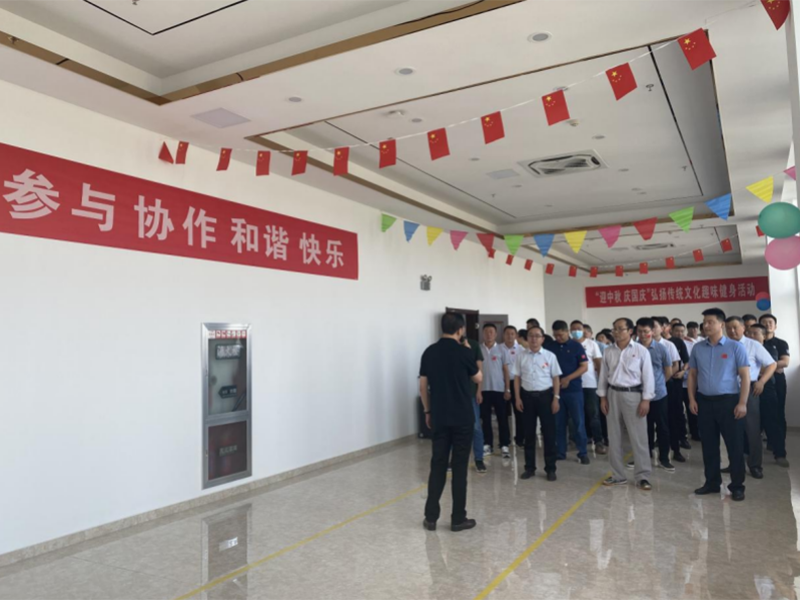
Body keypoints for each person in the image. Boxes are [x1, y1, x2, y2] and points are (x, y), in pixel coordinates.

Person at [420, 313, 482, 531]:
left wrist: (427, 411)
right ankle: (457, 518)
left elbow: (423, 386)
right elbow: (478, 378)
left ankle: (431, 517)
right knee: (459, 467)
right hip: (462, 417)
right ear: (460, 329)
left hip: (439, 415)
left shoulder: (429, 352)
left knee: (438, 464)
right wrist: (468, 351)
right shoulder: (464, 352)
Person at [688, 308, 750, 501]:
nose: (706, 325)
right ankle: (712, 482)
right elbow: (692, 375)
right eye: (704, 322)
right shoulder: (698, 348)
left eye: (710, 322)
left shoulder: (735, 347)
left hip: (729, 402)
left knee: (734, 445)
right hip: (704, 402)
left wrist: (742, 403)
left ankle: (737, 486)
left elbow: (745, 376)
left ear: (721, 324)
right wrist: (692, 399)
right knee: (709, 445)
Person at [598, 317, 655, 490]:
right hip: (612, 394)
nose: (616, 332)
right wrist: (603, 397)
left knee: (638, 438)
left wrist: (646, 399)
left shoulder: (641, 351)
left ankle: (642, 476)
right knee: (614, 436)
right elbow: (603, 376)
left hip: (634, 396)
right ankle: (617, 475)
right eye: (614, 328)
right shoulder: (608, 351)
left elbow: (648, 376)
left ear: (630, 331)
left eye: (620, 328)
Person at [724, 316, 775, 479]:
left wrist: (762, 381)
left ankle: (755, 465)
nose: (732, 331)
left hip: (749, 389)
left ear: (743, 328)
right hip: (728, 390)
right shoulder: (723, 345)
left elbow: (772, 364)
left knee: (752, 429)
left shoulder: (753, 345)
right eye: (728, 328)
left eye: (735, 327)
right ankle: (735, 463)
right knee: (731, 430)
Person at [515, 326, 562, 481]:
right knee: (528, 434)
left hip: (546, 397)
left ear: (542, 338)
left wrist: (556, 398)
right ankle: (529, 468)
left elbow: (556, 378)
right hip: (526, 397)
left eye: (537, 336)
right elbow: (517, 378)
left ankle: (550, 468)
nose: (534, 339)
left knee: (549, 434)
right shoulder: (521, 356)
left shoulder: (550, 356)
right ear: (527, 338)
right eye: (531, 335)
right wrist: (517, 398)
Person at [547, 320, 590, 464]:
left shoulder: (576, 346)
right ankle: (561, 452)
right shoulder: (550, 347)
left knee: (578, 422)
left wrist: (568, 378)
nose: (558, 338)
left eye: (561, 335)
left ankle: (582, 452)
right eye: (556, 335)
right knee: (559, 424)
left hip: (574, 391)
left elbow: (584, 366)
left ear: (567, 332)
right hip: (556, 391)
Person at [635, 318, 674, 472]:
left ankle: (664, 458)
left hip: (658, 394)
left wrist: (657, 385)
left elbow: (668, 371)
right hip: (638, 394)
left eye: (645, 331)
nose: (642, 334)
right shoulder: (633, 348)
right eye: (639, 331)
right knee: (643, 427)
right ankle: (643, 457)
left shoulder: (661, 349)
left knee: (662, 427)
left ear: (652, 331)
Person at [749, 323, 789, 467]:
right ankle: (749, 456)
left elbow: (769, 367)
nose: (751, 336)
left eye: (755, 333)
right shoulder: (745, 347)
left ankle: (780, 454)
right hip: (750, 388)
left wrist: (756, 369)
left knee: (773, 422)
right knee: (751, 425)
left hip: (767, 388)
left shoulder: (769, 349)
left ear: (764, 336)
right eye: (749, 333)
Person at [652, 317, 689, 462]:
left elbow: (675, 365)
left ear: (662, 328)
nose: (651, 330)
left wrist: (661, 381)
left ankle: (676, 449)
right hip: (648, 388)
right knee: (651, 421)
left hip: (668, 386)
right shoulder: (640, 346)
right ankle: (649, 450)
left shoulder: (669, 345)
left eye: (654, 327)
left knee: (671, 419)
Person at [570, 320, 606, 455]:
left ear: (583, 330)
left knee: (593, 415)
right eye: (573, 329)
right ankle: (575, 441)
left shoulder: (592, 344)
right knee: (574, 416)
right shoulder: (569, 344)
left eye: (579, 328)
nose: (576, 331)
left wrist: (601, 382)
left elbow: (599, 364)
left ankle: (599, 441)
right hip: (573, 385)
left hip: (590, 384)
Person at [760, 314, 790, 462]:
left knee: (778, 414)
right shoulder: (756, 342)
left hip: (777, 382)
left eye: (770, 322)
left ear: (775, 326)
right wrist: (773, 366)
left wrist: (766, 367)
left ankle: (778, 447)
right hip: (759, 382)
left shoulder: (780, 343)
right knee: (760, 414)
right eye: (764, 322)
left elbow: (785, 362)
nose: (767, 325)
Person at [479, 323, 512, 458]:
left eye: (491, 332)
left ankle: (504, 445)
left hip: (499, 389)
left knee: (502, 418)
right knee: (485, 418)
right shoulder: (478, 349)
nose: (489, 334)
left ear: (496, 334)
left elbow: (506, 371)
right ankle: (487, 444)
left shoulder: (502, 349)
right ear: (483, 333)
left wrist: (507, 389)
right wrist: (477, 390)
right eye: (486, 331)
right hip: (483, 389)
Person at [464, 331, 487, 474]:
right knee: (454, 427)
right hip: (455, 395)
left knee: (476, 427)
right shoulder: (449, 345)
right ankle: (453, 459)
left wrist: (479, 390)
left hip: (471, 392)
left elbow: (479, 369)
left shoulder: (473, 345)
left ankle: (479, 459)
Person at [673, 321, 700, 442]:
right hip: (675, 383)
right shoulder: (669, 344)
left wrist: (684, 372)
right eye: (676, 331)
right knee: (678, 411)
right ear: (672, 331)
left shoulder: (691, 344)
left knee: (692, 409)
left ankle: (695, 433)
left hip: (689, 382)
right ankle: (681, 435)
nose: (679, 333)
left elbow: (692, 362)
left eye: (681, 331)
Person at [501, 325, 525, 449]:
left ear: (515, 335)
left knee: (519, 411)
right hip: (502, 383)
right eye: (507, 333)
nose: (510, 336)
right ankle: (505, 439)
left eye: (512, 334)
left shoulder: (521, 349)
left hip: (517, 383)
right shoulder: (499, 348)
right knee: (503, 413)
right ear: (503, 335)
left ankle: (520, 438)